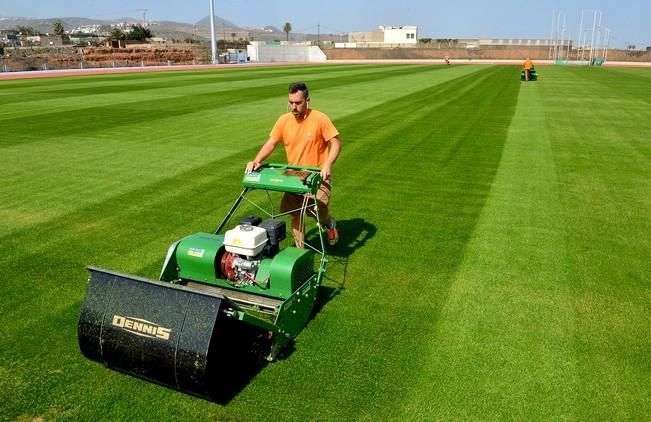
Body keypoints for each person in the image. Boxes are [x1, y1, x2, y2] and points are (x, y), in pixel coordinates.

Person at [245, 82, 342, 247]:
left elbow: (336, 143)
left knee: (318, 213)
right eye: (291, 102)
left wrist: (327, 164)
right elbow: (271, 143)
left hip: (317, 176)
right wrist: (257, 160)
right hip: (294, 176)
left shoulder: (320, 118)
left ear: (307, 100)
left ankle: (329, 224)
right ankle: (300, 252)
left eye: (298, 103)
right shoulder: (284, 120)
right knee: (297, 214)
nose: (293, 107)